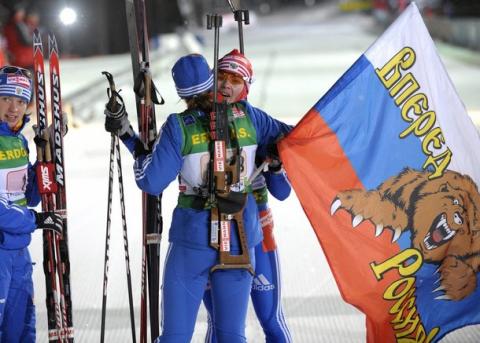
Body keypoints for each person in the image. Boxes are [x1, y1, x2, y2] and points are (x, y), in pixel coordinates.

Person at [104, 53, 290, 342]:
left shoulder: (179, 126)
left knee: (175, 336)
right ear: (211, 81)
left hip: (194, 239)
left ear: (181, 94)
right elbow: (293, 138)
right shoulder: (251, 117)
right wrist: (271, 158)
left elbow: (151, 181)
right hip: (241, 238)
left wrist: (135, 146)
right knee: (231, 335)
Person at [203, 49, 293, 342]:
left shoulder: (257, 121)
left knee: (271, 319)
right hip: (212, 232)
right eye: (221, 76)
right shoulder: (196, 118)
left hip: (257, 234)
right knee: (219, 324)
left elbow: (282, 192)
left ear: (247, 87)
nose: (225, 85)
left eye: (235, 79)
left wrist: (276, 164)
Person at [0, 65, 63, 342]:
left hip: (18, 254)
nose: (13, 108)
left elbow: (31, 196)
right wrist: (34, 220)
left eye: (21, 100)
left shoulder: (18, 140)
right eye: (6, 99)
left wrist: (45, 154)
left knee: (22, 328)